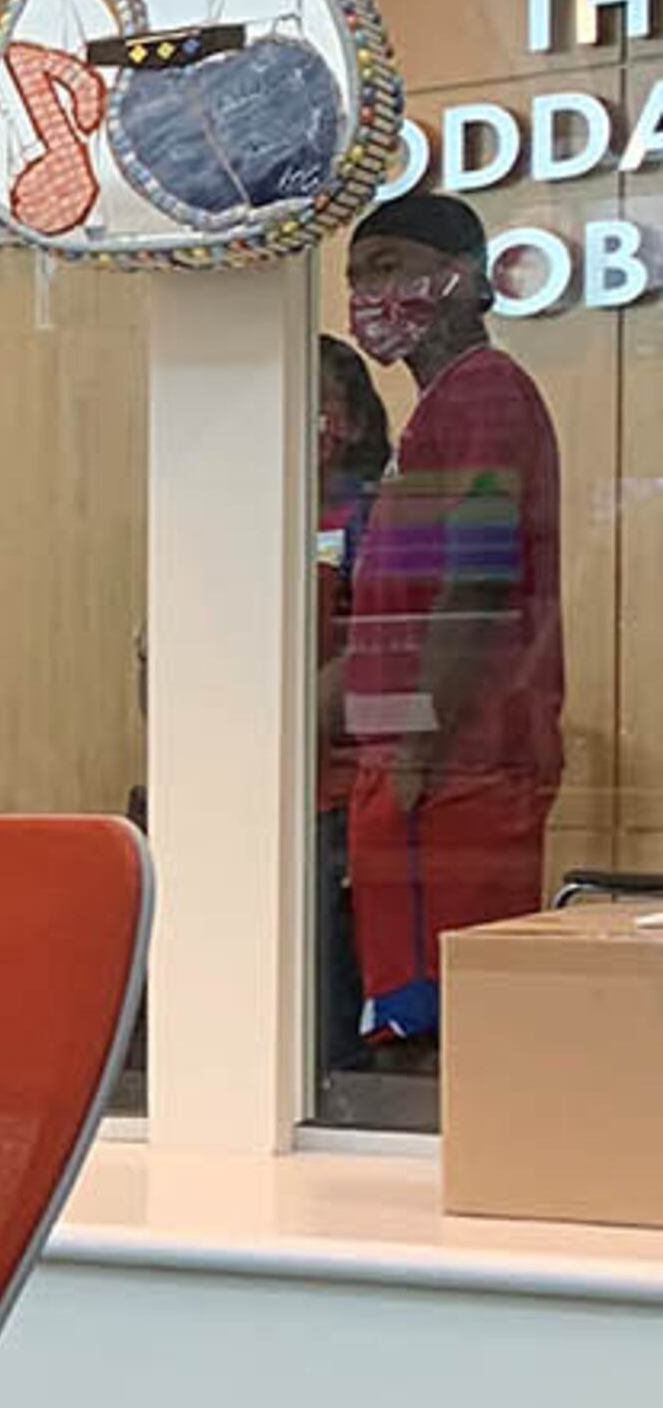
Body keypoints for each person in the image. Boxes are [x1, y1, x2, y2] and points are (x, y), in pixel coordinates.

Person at [337, 187, 565, 1056]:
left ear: (467, 277)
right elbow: (398, 613)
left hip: (455, 772)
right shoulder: (434, 413)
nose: (371, 294)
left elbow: (475, 584)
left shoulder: (484, 396)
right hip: (416, 766)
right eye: (357, 276)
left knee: (454, 1037)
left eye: (389, 266)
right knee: (410, 1024)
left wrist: (412, 749)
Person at [314, 331, 393, 1081]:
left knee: (322, 988)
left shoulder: (380, 516)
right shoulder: (239, 516)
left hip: (346, 787)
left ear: (357, 420)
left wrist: (287, 717)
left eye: (323, 409)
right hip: (247, 787)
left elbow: (390, 646)